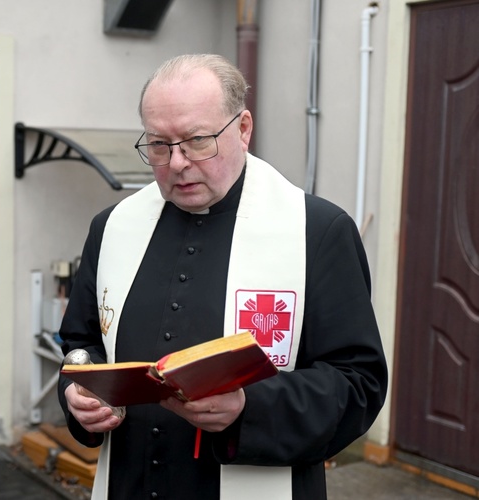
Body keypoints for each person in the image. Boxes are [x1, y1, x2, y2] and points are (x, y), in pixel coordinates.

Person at [57, 54, 387, 499]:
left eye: (197, 140)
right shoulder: (113, 226)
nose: (176, 163)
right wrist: (78, 398)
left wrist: (248, 408)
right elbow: (80, 346)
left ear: (244, 128)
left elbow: (358, 384)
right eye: (158, 145)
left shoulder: (317, 231)